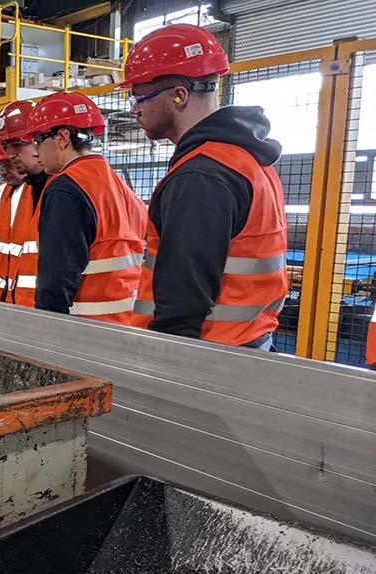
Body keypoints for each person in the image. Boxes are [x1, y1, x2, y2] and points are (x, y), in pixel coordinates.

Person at [122, 24, 288, 350]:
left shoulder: (200, 176)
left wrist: (158, 373)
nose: (133, 109)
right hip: (245, 348)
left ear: (178, 95)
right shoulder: (246, 158)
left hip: (207, 360)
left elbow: (181, 305)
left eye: (140, 96)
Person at [25, 91, 147, 324]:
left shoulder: (66, 188)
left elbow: (57, 276)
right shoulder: (121, 188)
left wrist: (44, 332)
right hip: (127, 322)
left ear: (62, 138)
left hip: (85, 328)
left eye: (39, 140)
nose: (35, 151)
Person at [0, 100, 50, 306]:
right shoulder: (15, 191)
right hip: (9, 299)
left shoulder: (62, 189)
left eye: (16, 145)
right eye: (5, 148)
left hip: (44, 308)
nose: (10, 156)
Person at [0, 138, 30, 303]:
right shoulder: (2, 191)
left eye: (8, 164)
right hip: (1, 292)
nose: (3, 171)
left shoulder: (41, 192)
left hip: (29, 297)